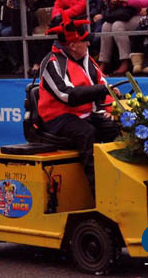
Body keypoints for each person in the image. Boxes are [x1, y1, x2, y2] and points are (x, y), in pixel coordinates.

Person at [37, 17, 117, 191]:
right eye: (85, 41)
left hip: (84, 114)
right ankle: (98, 191)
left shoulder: (87, 60)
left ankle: (119, 179)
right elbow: (67, 95)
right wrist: (101, 91)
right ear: (73, 45)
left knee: (115, 127)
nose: (88, 44)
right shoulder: (52, 63)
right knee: (86, 132)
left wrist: (112, 110)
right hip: (58, 118)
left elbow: (104, 86)